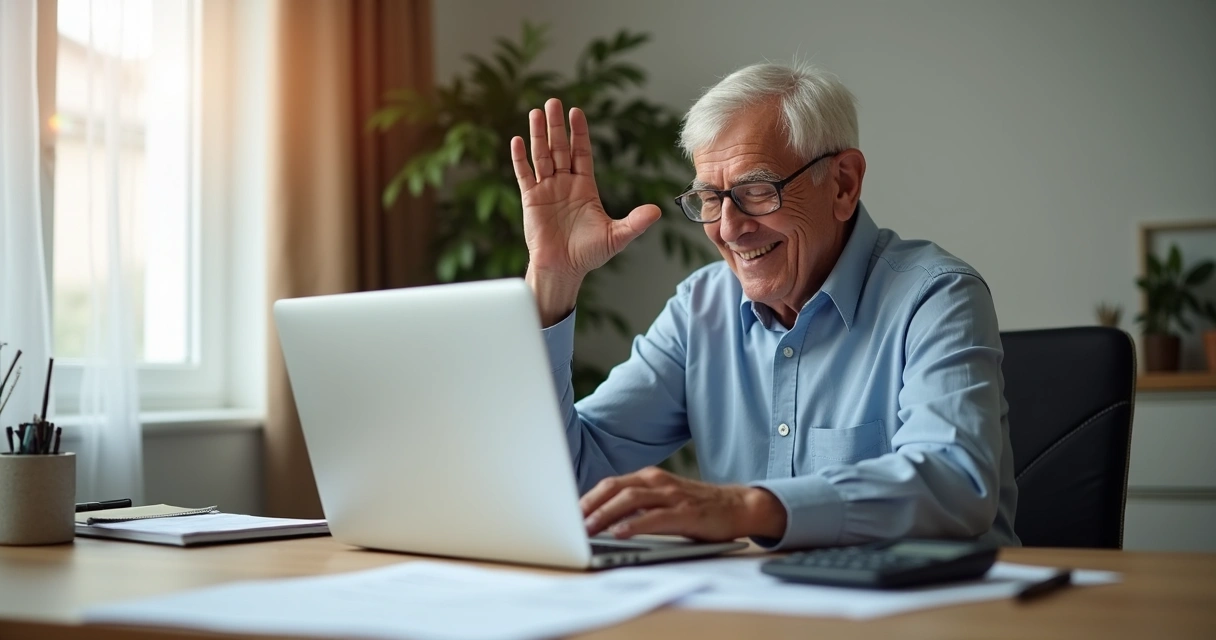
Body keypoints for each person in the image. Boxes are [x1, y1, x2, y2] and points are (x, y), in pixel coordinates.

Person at [509, 62, 1018, 550]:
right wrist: (554, 279)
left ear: (843, 184)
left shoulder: (937, 296)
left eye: (757, 191)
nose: (729, 228)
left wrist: (747, 508)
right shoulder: (700, 308)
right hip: (757, 609)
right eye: (710, 198)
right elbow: (571, 476)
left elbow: (956, 480)